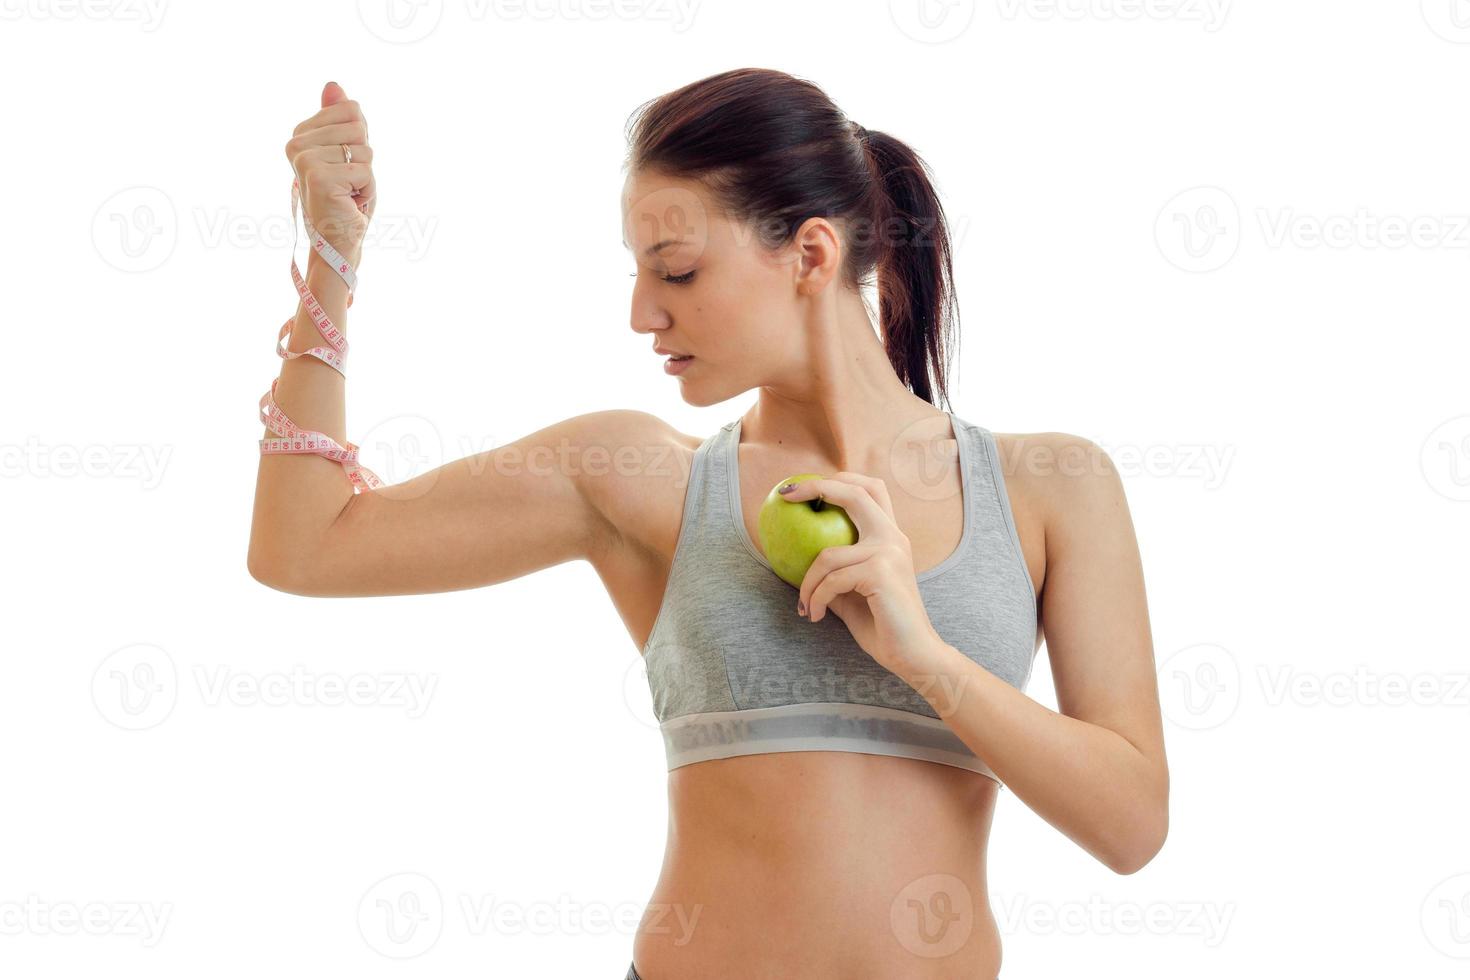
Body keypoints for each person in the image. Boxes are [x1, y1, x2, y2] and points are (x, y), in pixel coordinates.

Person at [249, 69, 1169, 980]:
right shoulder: (638, 478)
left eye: (677, 271)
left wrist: (923, 654)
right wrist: (333, 254)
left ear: (811, 256)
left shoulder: (1050, 485)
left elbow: (1131, 827)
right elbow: (305, 546)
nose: (643, 312)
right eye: (640, 273)